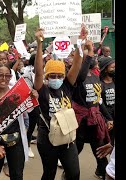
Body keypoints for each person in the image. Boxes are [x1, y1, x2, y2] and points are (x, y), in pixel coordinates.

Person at [33, 28, 84, 180]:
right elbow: (38, 72)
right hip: (47, 138)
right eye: (52, 76)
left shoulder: (67, 85)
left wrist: (79, 43)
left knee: (74, 173)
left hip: (68, 137)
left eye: (59, 75)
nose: (56, 78)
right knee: (49, 174)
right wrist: (39, 44)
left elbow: (76, 65)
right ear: (47, 77)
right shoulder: (42, 90)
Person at [0, 63, 37, 180]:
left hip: (16, 140)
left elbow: (29, 108)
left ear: (11, 77)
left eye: (7, 75)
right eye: (0, 75)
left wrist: (33, 97)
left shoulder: (16, 91)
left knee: (17, 174)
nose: (3, 78)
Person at [71, 40, 113, 180]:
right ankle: (69, 173)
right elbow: (82, 75)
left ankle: (102, 172)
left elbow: (98, 101)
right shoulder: (77, 77)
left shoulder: (96, 77)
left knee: (100, 149)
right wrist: (87, 51)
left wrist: (108, 119)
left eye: (95, 57)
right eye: (92, 57)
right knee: (77, 149)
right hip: (81, 123)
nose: (95, 58)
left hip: (95, 121)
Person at [99, 57, 115, 144]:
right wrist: (108, 119)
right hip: (106, 119)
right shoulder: (100, 84)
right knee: (107, 143)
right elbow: (100, 104)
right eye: (112, 67)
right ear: (105, 70)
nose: (114, 69)